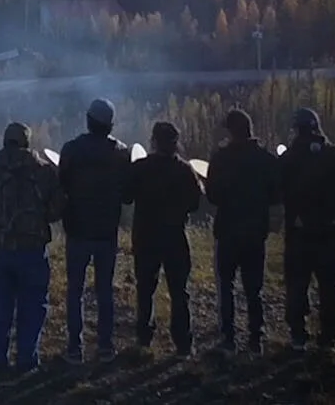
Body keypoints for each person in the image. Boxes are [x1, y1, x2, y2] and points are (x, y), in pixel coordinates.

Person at [0, 122, 64, 373]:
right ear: (27, 142)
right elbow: (57, 209)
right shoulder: (44, 172)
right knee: (33, 305)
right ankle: (27, 357)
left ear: (5, 142)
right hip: (32, 249)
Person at [58, 97, 131, 364]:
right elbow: (126, 193)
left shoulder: (72, 150)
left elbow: (61, 184)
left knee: (75, 290)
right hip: (106, 230)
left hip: (77, 229)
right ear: (110, 125)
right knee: (104, 291)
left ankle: (74, 348)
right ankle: (105, 346)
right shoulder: (121, 153)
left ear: (89, 121)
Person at [122, 121, 202, 358]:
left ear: (154, 141)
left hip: (145, 236)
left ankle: (144, 340)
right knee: (179, 291)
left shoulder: (140, 168)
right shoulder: (185, 170)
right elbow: (196, 204)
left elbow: (126, 197)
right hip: (175, 237)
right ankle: (183, 345)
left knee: (145, 288)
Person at [205, 108, 280, 355]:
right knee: (253, 288)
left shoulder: (220, 159)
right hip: (255, 231)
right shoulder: (265, 159)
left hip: (227, 230)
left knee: (226, 286)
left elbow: (213, 196)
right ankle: (255, 337)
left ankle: (228, 338)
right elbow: (275, 194)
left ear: (230, 131)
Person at [279, 108, 335, 352]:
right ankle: (329, 336)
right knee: (329, 287)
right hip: (329, 231)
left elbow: (278, 191)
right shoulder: (333, 154)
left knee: (297, 284)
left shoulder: (289, 157)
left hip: (299, 231)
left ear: (296, 129)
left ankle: (298, 335)